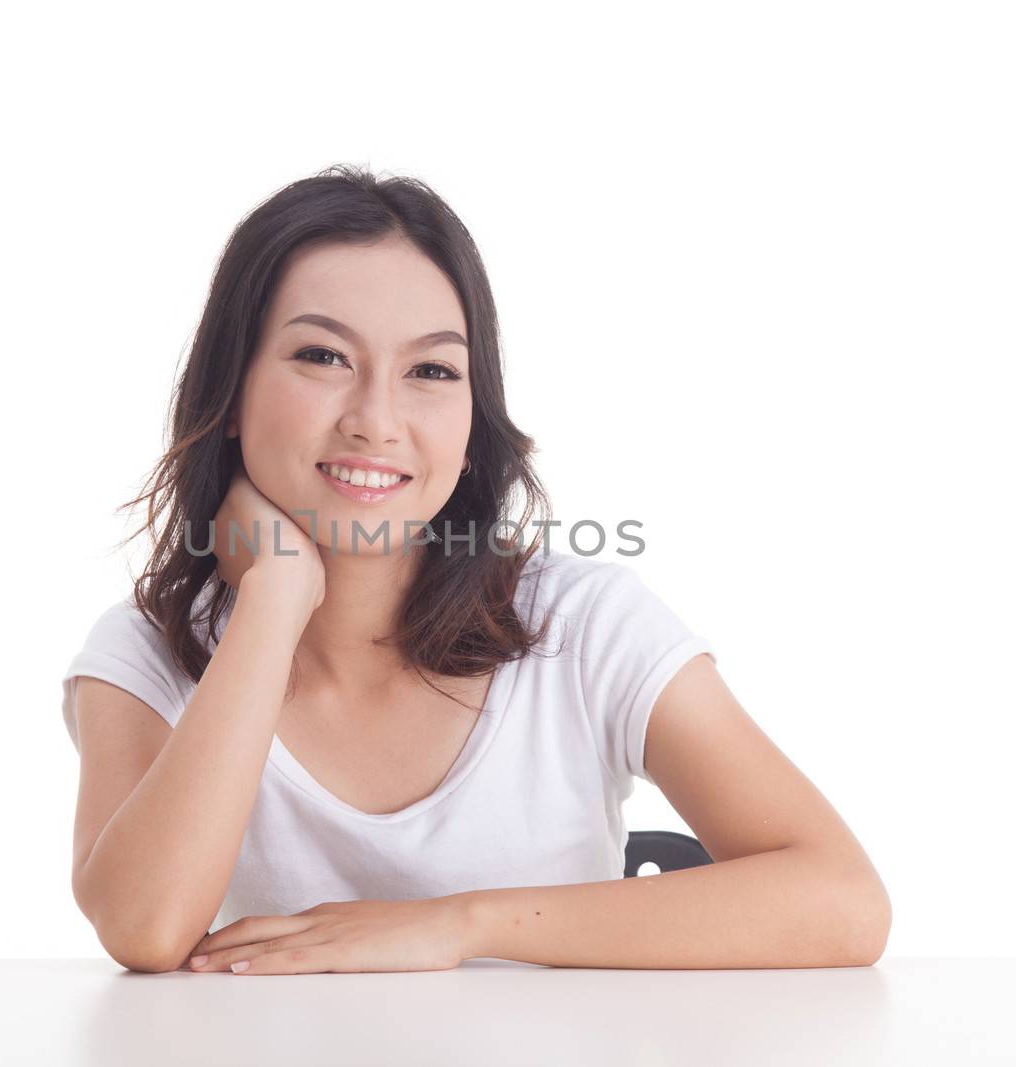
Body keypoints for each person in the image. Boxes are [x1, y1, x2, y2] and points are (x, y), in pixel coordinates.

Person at [61, 165, 890, 975]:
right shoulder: (145, 653)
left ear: (470, 426)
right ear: (231, 392)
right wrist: (273, 599)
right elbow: (145, 928)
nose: (376, 420)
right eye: (322, 356)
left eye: (430, 370)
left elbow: (843, 898)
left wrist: (454, 925)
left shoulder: (584, 624)